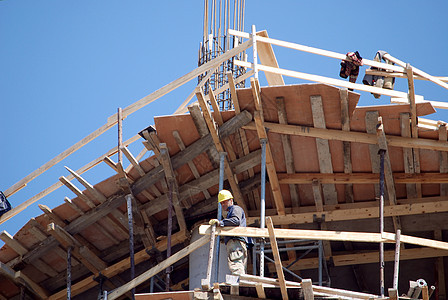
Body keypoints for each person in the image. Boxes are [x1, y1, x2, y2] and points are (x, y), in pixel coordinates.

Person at [209, 189, 252, 275]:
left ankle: (237, 282)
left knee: (236, 265)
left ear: (231, 200)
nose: (222, 205)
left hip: (235, 241)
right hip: (238, 242)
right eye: (221, 203)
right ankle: (240, 284)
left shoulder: (236, 208)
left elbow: (236, 221)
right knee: (240, 266)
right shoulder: (231, 212)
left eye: (224, 202)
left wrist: (221, 223)